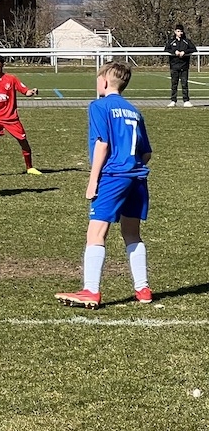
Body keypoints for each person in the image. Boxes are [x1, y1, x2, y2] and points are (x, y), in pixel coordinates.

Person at [56, 61, 153, 309]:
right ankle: (143, 289)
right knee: (131, 233)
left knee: (96, 234)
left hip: (112, 176)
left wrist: (93, 181)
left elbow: (102, 143)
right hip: (137, 178)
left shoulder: (99, 106)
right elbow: (146, 153)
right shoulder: (134, 111)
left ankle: (90, 290)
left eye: (98, 78)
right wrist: (131, 168)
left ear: (105, 81)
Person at [0, 53, 42, 177]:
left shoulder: (11, 79)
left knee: (23, 141)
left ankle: (29, 167)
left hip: (11, 117)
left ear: (2, 65)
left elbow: (25, 91)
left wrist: (32, 91)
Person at [164, 24, 196, 107]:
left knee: (184, 84)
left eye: (181, 31)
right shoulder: (171, 41)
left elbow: (193, 49)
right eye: (178, 31)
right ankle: (173, 100)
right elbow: (166, 49)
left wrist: (184, 52)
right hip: (174, 66)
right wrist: (174, 51)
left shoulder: (186, 41)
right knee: (174, 84)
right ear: (175, 32)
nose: (180, 33)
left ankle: (186, 101)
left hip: (184, 66)